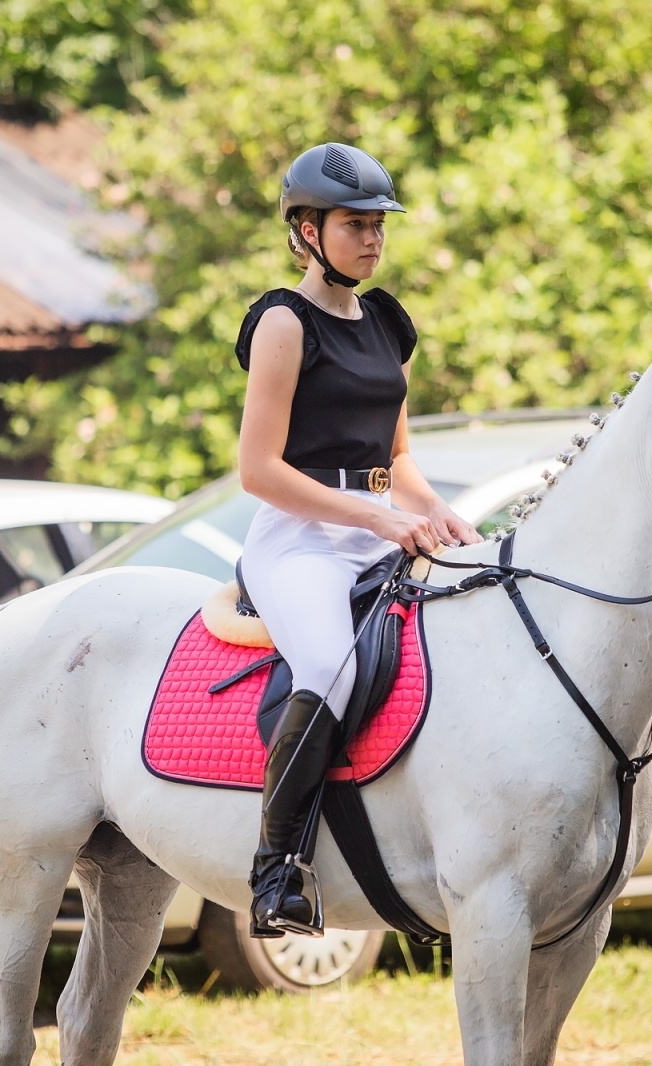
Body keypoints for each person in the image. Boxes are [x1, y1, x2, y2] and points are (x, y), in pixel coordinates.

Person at [235, 143, 482, 937]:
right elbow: (258, 470)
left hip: (378, 530)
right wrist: (375, 517)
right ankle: (276, 871)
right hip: (299, 539)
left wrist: (439, 513)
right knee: (328, 666)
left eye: (379, 225)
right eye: (355, 225)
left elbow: (396, 459)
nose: (373, 239)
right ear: (307, 231)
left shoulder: (385, 324)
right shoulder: (283, 322)